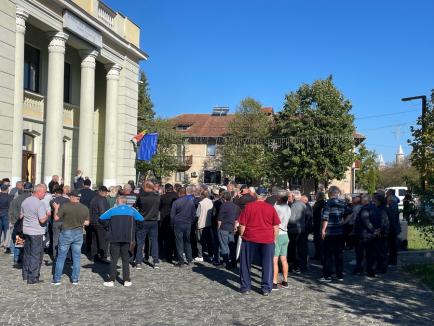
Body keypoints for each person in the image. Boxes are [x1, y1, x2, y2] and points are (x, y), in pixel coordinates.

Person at [238, 191, 280, 296]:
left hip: (250, 237)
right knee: (267, 264)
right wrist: (274, 238)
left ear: (256, 196)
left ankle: (246, 287)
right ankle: (266, 288)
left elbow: (242, 224)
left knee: (246, 263)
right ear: (266, 197)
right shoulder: (271, 208)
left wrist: (242, 235)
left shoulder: (248, 207)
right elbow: (276, 226)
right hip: (267, 239)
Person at [99, 196, 144, 287]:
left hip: (114, 237)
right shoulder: (132, 210)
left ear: (118, 202)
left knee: (113, 259)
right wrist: (135, 229)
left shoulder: (113, 210)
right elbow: (142, 220)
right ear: (125, 202)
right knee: (125, 259)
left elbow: (101, 218)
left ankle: (111, 280)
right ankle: (126, 280)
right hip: (127, 238)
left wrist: (108, 227)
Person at [52, 190, 89, 285]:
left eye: (69, 196)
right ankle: (75, 279)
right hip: (79, 233)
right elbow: (87, 223)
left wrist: (56, 208)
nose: (68, 198)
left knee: (61, 257)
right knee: (76, 257)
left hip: (66, 233)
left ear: (72, 197)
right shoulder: (85, 208)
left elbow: (56, 218)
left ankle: (57, 279)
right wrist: (80, 222)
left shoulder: (65, 206)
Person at [320, 186, 353, 282]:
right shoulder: (343, 203)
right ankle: (339, 275)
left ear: (330, 193)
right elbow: (350, 213)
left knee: (328, 255)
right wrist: (344, 222)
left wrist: (323, 229)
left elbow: (325, 218)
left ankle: (327, 276)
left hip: (330, 232)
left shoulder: (328, 203)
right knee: (338, 254)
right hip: (339, 232)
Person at [21, 184, 49, 284]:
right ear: (39, 192)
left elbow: (21, 215)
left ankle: (25, 275)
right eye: (45, 192)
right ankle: (32, 277)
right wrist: (47, 215)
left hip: (27, 230)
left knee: (27, 254)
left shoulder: (26, 201)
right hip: (36, 232)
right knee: (36, 255)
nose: (45, 195)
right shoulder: (39, 204)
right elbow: (42, 220)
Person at [134, 181, 161, 269]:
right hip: (153, 221)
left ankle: (138, 262)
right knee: (154, 241)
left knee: (140, 242)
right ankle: (156, 261)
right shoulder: (157, 196)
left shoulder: (141, 197)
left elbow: (136, 206)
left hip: (143, 220)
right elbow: (159, 207)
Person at [8, 183, 32, 266]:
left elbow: (10, 212)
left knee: (19, 242)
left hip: (18, 224)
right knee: (30, 243)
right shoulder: (32, 200)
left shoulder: (16, 200)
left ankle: (17, 258)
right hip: (29, 224)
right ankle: (26, 259)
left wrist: (13, 222)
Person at [171, 187, 196, 267]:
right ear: (185, 193)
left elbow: (172, 216)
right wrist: (191, 222)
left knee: (179, 242)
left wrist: (172, 224)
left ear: (179, 193)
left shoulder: (176, 202)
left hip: (178, 224)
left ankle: (181, 261)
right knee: (187, 242)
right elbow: (193, 214)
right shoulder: (191, 202)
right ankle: (189, 259)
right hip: (188, 224)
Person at [272, 190, 291, 290]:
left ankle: (274, 283)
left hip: (278, 234)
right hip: (285, 234)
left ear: (279, 198)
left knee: (274, 260)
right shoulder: (288, 207)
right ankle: (285, 281)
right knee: (284, 259)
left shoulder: (277, 207)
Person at [217, 191, 239, 269]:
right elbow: (236, 219)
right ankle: (234, 263)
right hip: (232, 228)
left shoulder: (223, 206)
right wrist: (235, 227)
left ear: (224, 198)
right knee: (231, 246)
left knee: (224, 246)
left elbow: (220, 219)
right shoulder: (235, 206)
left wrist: (218, 228)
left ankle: (226, 263)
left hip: (224, 227)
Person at [287, 190, 306, 273]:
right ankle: (301, 266)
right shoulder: (303, 204)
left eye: (291, 196)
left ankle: (295, 266)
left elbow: (291, 219)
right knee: (301, 248)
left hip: (294, 230)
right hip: (302, 228)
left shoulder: (294, 205)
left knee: (294, 249)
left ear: (294, 196)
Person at [89, 186, 110, 262]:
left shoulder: (94, 199)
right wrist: (106, 224)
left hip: (94, 222)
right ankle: (103, 257)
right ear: (100, 191)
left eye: (106, 192)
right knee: (103, 241)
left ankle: (94, 256)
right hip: (100, 223)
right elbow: (103, 213)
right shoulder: (102, 200)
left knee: (95, 240)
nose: (106, 193)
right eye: (105, 192)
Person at [49, 185, 69, 261]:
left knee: (55, 240)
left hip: (56, 221)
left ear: (55, 193)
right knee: (66, 240)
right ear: (62, 192)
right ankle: (66, 256)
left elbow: (52, 210)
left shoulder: (52, 201)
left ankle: (55, 256)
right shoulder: (67, 201)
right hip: (65, 221)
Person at [159, 184, 178, 263]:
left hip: (164, 220)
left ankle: (165, 256)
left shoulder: (162, 197)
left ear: (166, 189)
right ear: (172, 188)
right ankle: (175, 255)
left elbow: (159, 207)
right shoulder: (176, 196)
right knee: (174, 238)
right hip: (174, 219)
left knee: (165, 239)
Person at [194, 190, 214, 262]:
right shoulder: (212, 202)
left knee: (199, 241)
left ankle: (200, 256)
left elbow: (197, 214)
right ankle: (211, 255)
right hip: (209, 224)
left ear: (202, 195)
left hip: (201, 224)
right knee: (209, 241)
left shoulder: (201, 203)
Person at [386, 189, 401, 266]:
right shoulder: (393, 205)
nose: (387, 201)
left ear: (390, 201)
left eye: (388, 200)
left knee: (392, 246)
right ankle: (392, 260)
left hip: (393, 229)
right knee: (392, 245)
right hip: (394, 228)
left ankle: (393, 261)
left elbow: (391, 219)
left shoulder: (392, 207)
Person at [312, 192, 326, 261]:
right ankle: (318, 255)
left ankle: (320, 256)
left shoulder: (319, 204)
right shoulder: (323, 203)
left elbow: (321, 215)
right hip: (318, 224)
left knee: (318, 241)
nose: (315, 196)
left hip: (318, 224)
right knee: (318, 241)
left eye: (316, 195)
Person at [0, 183, 13, 251]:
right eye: (8, 188)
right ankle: (6, 245)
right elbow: (10, 207)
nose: (8, 189)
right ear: (6, 189)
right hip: (6, 215)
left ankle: (1, 244)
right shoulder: (9, 197)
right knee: (6, 230)